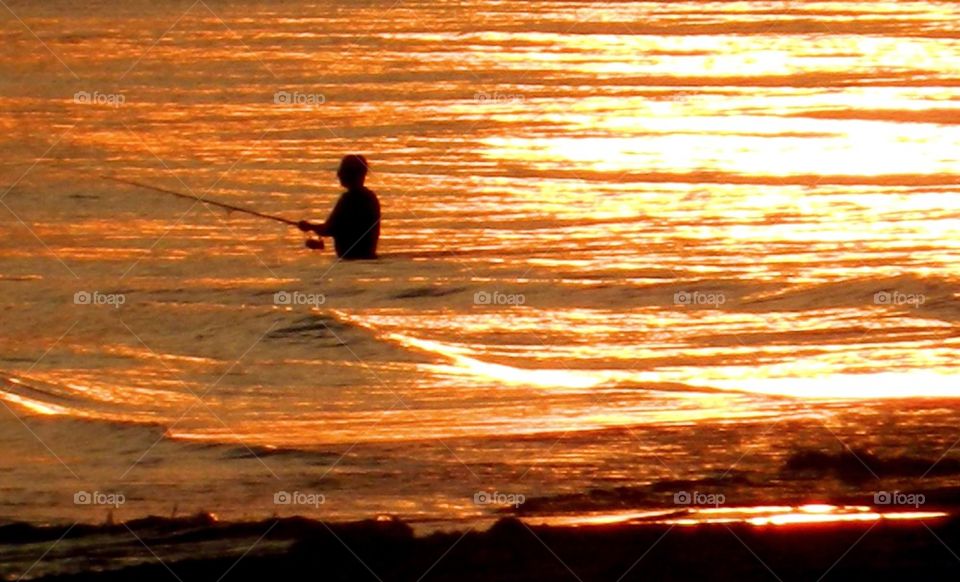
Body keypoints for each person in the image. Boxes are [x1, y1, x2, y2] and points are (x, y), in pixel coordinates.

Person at [298, 154, 381, 260]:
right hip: (368, 256)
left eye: (342, 170)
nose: (338, 174)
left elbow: (330, 229)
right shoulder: (370, 197)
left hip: (350, 260)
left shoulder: (349, 199)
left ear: (349, 174)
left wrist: (309, 227)